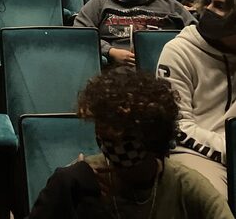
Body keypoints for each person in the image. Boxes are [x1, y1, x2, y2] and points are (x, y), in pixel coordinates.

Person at [29, 66, 233, 218]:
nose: (108, 145)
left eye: (120, 137)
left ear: (152, 138)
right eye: (102, 133)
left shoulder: (186, 186)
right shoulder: (76, 181)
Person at [157, 0, 236, 199]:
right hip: (192, 152)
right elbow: (177, 125)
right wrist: (229, 149)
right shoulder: (179, 51)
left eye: (219, 6)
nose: (207, 10)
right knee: (212, 199)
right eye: (208, 2)